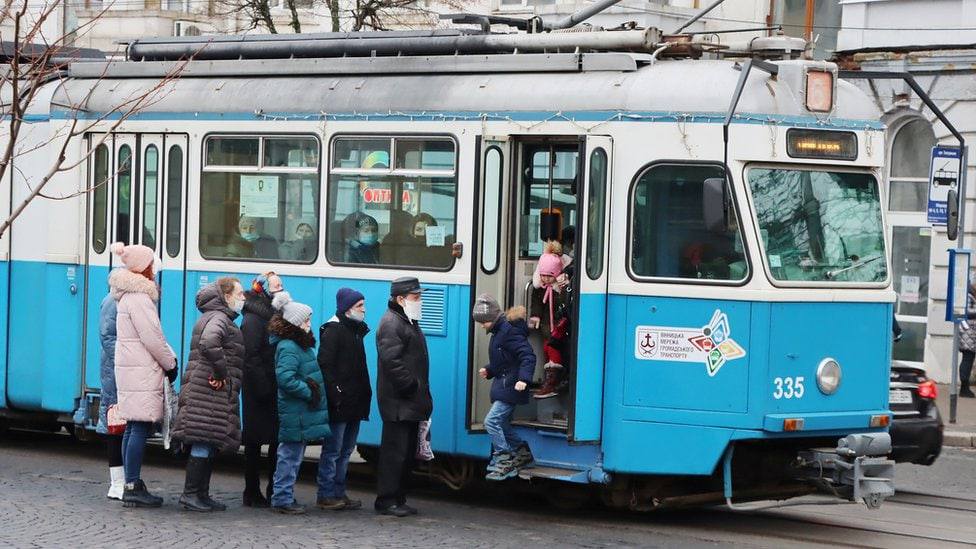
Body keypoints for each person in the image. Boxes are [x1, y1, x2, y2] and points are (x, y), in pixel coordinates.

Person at [109, 242, 178, 508]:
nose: (154, 268)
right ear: (144, 268)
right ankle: (133, 485)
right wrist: (170, 364)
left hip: (132, 369)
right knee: (138, 427)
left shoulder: (127, 296)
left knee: (132, 426)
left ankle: (131, 484)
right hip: (141, 370)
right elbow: (153, 338)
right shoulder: (140, 298)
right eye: (151, 263)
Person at [172, 278, 246, 512]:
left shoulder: (216, 317)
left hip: (207, 390)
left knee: (209, 440)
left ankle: (200, 494)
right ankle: (191, 494)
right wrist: (221, 372)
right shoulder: (219, 318)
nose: (243, 298)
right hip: (207, 391)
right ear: (226, 296)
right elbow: (209, 342)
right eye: (239, 294)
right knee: (203, 440)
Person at [374, 276, 432, 517]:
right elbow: (392, 361)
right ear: (400, 299)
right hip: (398, 402)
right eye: (415, 297)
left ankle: (398, 498)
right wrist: (410, 386)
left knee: (405, 453)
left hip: (408, 401)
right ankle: (387, 500)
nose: (419, 301)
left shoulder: (406, 320)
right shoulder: (391, 323)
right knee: (394, 454)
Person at [269, 291, 330, 515]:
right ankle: (282, 498)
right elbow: (285, 378)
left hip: (300, 411)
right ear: (295, 323)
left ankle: (284, 496)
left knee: (293, 456)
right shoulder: (289, 346)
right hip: (296, 411)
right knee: (290, 456)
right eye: (306, 320)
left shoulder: (299, 344)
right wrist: (308, 391)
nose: (309, 323)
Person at [317, 288, 372, 510]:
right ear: (347, 308)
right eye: (359, 306)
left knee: (346, 450)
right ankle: (326, 493)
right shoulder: (334, 331)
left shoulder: (355, 330)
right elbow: (325, 366)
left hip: (354, 402)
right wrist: (336, 395)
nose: (364, 310)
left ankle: (338, 492)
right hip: (340, 402)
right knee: (333, 450)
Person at [472, 294, 536, 481]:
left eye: (483, 322)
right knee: (502, 423)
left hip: (512, 386)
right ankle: (522, 452)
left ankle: (504, 457)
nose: (482, 326)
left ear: (491, 318)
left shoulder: (508, 332)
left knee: (491, 422)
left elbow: (528, 356)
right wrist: (490, 369)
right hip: (505, 384)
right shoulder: (499, 331)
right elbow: (506, 360)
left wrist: (524, 379)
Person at [240, 272, 284, 507]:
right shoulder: (253, 319)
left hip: (271, 385)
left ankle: (273, 488)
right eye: (276, 286)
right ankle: (252, 490)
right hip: (259, 388)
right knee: (254, 443)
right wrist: (265, 388)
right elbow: (251, 357)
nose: (281, 290)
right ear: (264, 290)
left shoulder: (272, 314)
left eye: (281, 285)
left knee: (276, 440)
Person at [531, 241, 572, 399]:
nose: (546, 279)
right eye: (543, 275)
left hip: (559, 326)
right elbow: (537, 303)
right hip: (546, 325)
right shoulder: (540, 288)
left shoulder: (561, 289)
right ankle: (551, 378)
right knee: (547, 348)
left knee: (554, 349)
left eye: (549, 276)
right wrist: (535, 316)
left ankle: (553, 380)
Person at [96, 282, 123, 500]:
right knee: (116, 425)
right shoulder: (113, 300)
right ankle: (117, 483)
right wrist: (126, 360)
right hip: (115, 371)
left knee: (121, 426)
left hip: (119, 368)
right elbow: (107, 335)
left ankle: (123, 481)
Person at [959, 283, 976, 398]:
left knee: (968, 359)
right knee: (967, 359)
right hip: (968, 333)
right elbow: (967, 312)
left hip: (971, 333)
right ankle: (964, 388)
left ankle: (965, 388)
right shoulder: (969, 295)